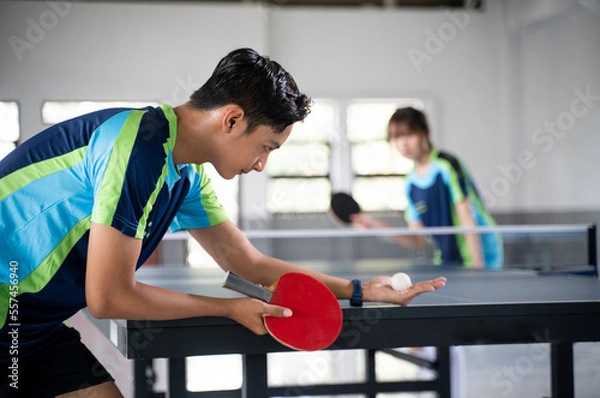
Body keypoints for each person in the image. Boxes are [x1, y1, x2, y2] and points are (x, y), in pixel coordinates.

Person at [0, 48, 446, 397]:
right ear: (232, 119)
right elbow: (108, 296)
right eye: (267, 146)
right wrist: (228, 307)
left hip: (33, 323)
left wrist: (362, 290)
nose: (261, 164)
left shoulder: (186, 175)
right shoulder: (138, 147)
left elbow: (247, 264)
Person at [351, 106, 503, 269]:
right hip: (447, 257)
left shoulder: (447, 165)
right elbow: (418, 241)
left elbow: (467, 219)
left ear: (425, 133)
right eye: (396, 137)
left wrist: (477, 268)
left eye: (409, 134)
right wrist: (375, 225)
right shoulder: (410, 183)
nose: (403, 143)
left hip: (480, 253)